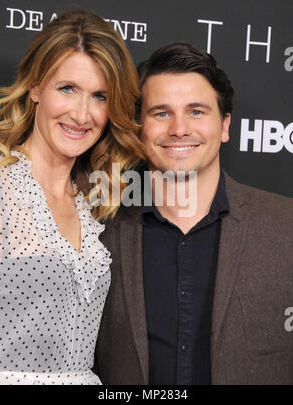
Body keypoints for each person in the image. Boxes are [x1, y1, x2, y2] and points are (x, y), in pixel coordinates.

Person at [95, 42, 293, 385]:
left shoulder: (285, 227)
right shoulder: (99, 229)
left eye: (196, 112)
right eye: (161, 113)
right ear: (139, 128)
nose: (179, 129)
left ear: (226, 125)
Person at [0, 9, 144, 385]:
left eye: (99, 96)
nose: (81, 114)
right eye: (67, 89)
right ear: (35, 87)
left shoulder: (94, 202)